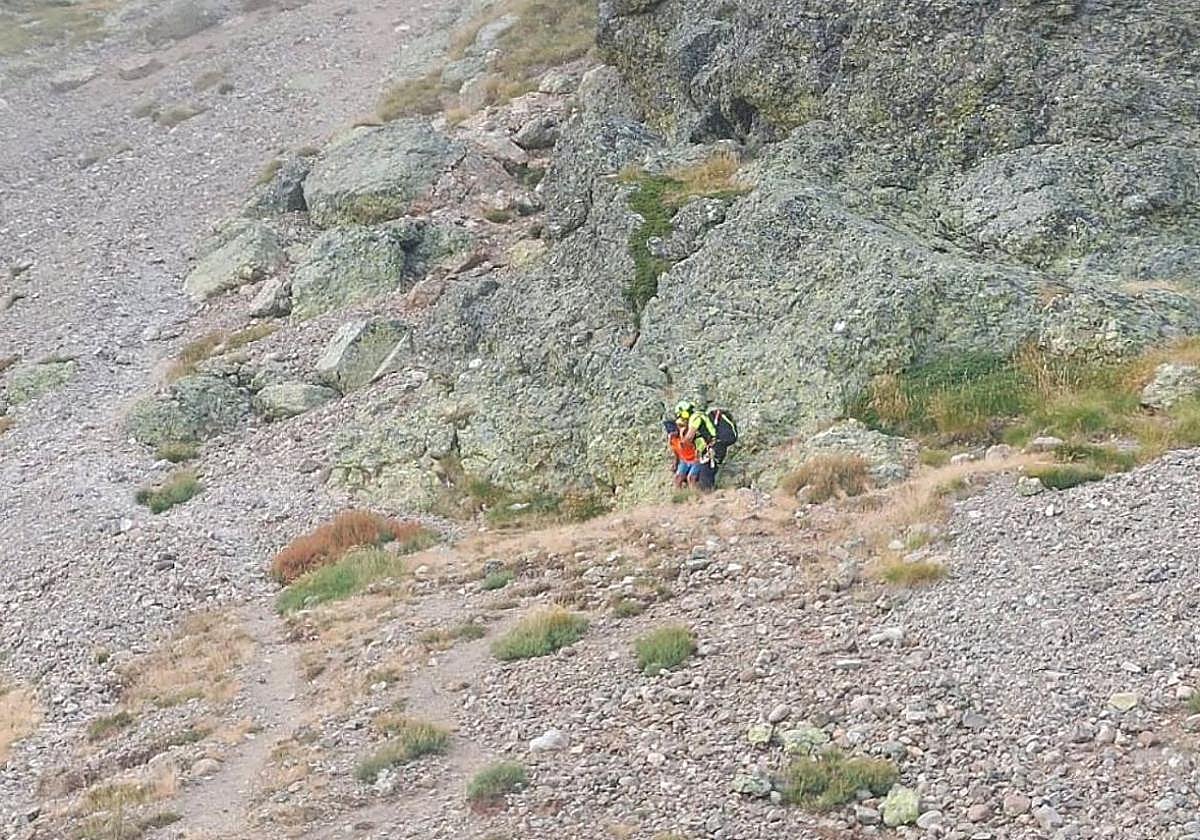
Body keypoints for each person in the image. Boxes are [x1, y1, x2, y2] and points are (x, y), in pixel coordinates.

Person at [664, 419, 703, 489]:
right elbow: (676, 452)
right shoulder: (672, 440)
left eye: (674, 431)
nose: (673, 434)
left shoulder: (686, 434)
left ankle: (694, 496)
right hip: (684, 460)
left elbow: (694, 443)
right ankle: (680, 496)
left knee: (691, 478)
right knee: (678, 478)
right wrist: (675, 464)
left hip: (695, 459)